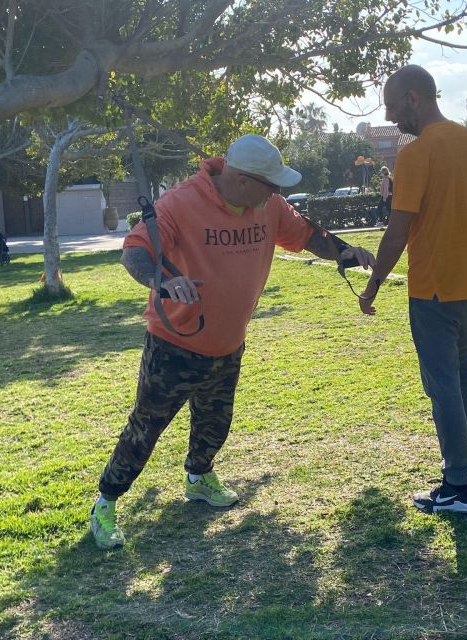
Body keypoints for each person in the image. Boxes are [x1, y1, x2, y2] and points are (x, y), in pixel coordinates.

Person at [90, 133, 375, 550]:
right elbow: (135, 252)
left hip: (227, 344)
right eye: (270, 185)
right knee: (145, 428)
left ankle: (198, 477)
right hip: (174, 346)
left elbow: (305, 235)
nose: (278, 193)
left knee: (214, 423)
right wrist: (166, 282)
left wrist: (345, 252)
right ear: (242, 180)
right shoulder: (181, 203)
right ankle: (106, 504)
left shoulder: (268, 204)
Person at [358, 65, 467, 514]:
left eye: (393, 104)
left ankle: (459, 487)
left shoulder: (416, 154)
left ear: (414, 98)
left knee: (444, 387)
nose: (391, 114)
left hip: (435, 289)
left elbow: (397, 232)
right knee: (464, 374)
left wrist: (373, 284)